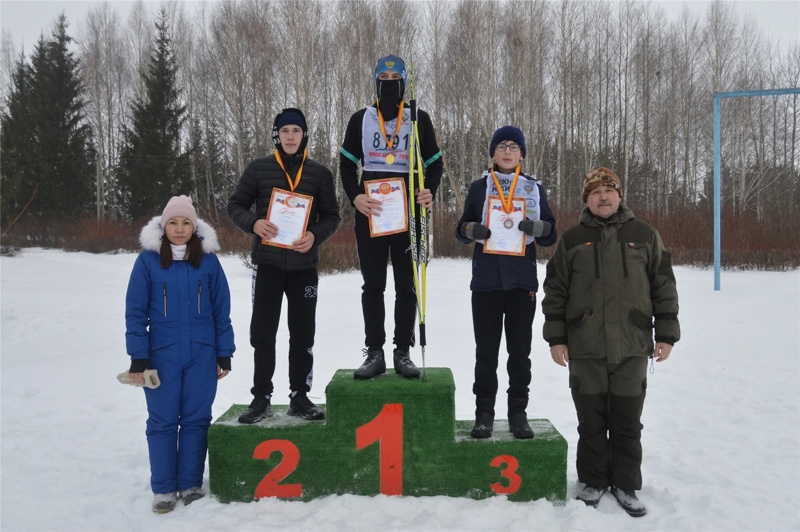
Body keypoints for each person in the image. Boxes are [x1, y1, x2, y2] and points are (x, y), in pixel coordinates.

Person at [541, 167, 680, 517]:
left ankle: (625, 484)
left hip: (632, 346)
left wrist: (666, 333)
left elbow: (663, 284)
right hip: (584, 346)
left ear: (620, 195)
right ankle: (593, 481)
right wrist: (556, 338)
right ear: (586, 199)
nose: (603, 197)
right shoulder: (572, 239)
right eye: (595, 192)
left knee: (627, 422)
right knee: (590, 421)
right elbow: (555, 291)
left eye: (609, 190)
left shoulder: (645, 234)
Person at [228, 108, 340, 424]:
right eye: (285, 131)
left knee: (303, 334)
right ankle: (261, 397)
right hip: (268, 265)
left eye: (296, 131)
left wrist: (314, 235)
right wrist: (254, 223)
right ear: (276, 135)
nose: (291, 137)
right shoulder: (259, 169)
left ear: (304, 135)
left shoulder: (319, 173)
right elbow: (234, 205)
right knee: (263, 333)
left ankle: (299, 397)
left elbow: (332, 216)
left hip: (304, 265)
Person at [125, 195, 235, 513]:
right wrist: (139, 356)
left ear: (194, 226)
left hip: (202, 352)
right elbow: (135, 312)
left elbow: (221, 310)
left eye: (186, 222)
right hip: (161, 354)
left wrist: (223, 352)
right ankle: (163, 490)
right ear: (163, 225)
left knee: (196, 420)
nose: (179, 228)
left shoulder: (209, 262)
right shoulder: (147, 262)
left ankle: (190, 484)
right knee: (161, 421)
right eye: (173, 222)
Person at [339, 54, 443, 380]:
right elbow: (345, 163)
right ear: (375, 82)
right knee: (373, 285)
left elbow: (435, 162)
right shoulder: (361, 119)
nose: (387, 83)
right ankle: (375, 351)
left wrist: (430, 192)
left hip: (408, 212)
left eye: (393, 78)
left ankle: (403, 351)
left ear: (403, 83)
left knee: (407, 286)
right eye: (381, 78)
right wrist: (355, 196)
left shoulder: (417, 119)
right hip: (371, 213)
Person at [455, 126, 557, 440]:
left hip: (521, 283)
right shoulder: (479, 187)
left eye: (514, 146)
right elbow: (461, 229)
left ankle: (517, 413)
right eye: (502, 146)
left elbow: (551, 233)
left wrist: (538, 226)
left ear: (522, 154)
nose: (508, 151)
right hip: (486, 282)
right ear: (493, 154)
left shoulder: (532, 188)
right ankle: (484, 413)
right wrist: (473, 230)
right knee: (486, 352)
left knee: (519, 352)